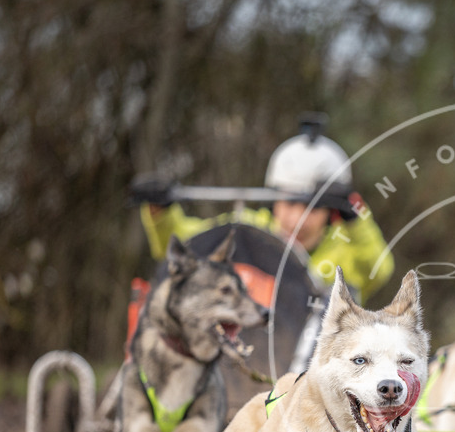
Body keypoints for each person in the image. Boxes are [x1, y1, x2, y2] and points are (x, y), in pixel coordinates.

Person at [135, 115, 394, 303]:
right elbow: (184, 241)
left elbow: (380, 268)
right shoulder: (247, 233)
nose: (298, 219)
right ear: (274, 201)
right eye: (290, 204)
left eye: (312, 209)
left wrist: (357, 218)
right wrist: (161, 210)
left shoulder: (346, 254)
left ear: (332, 213)